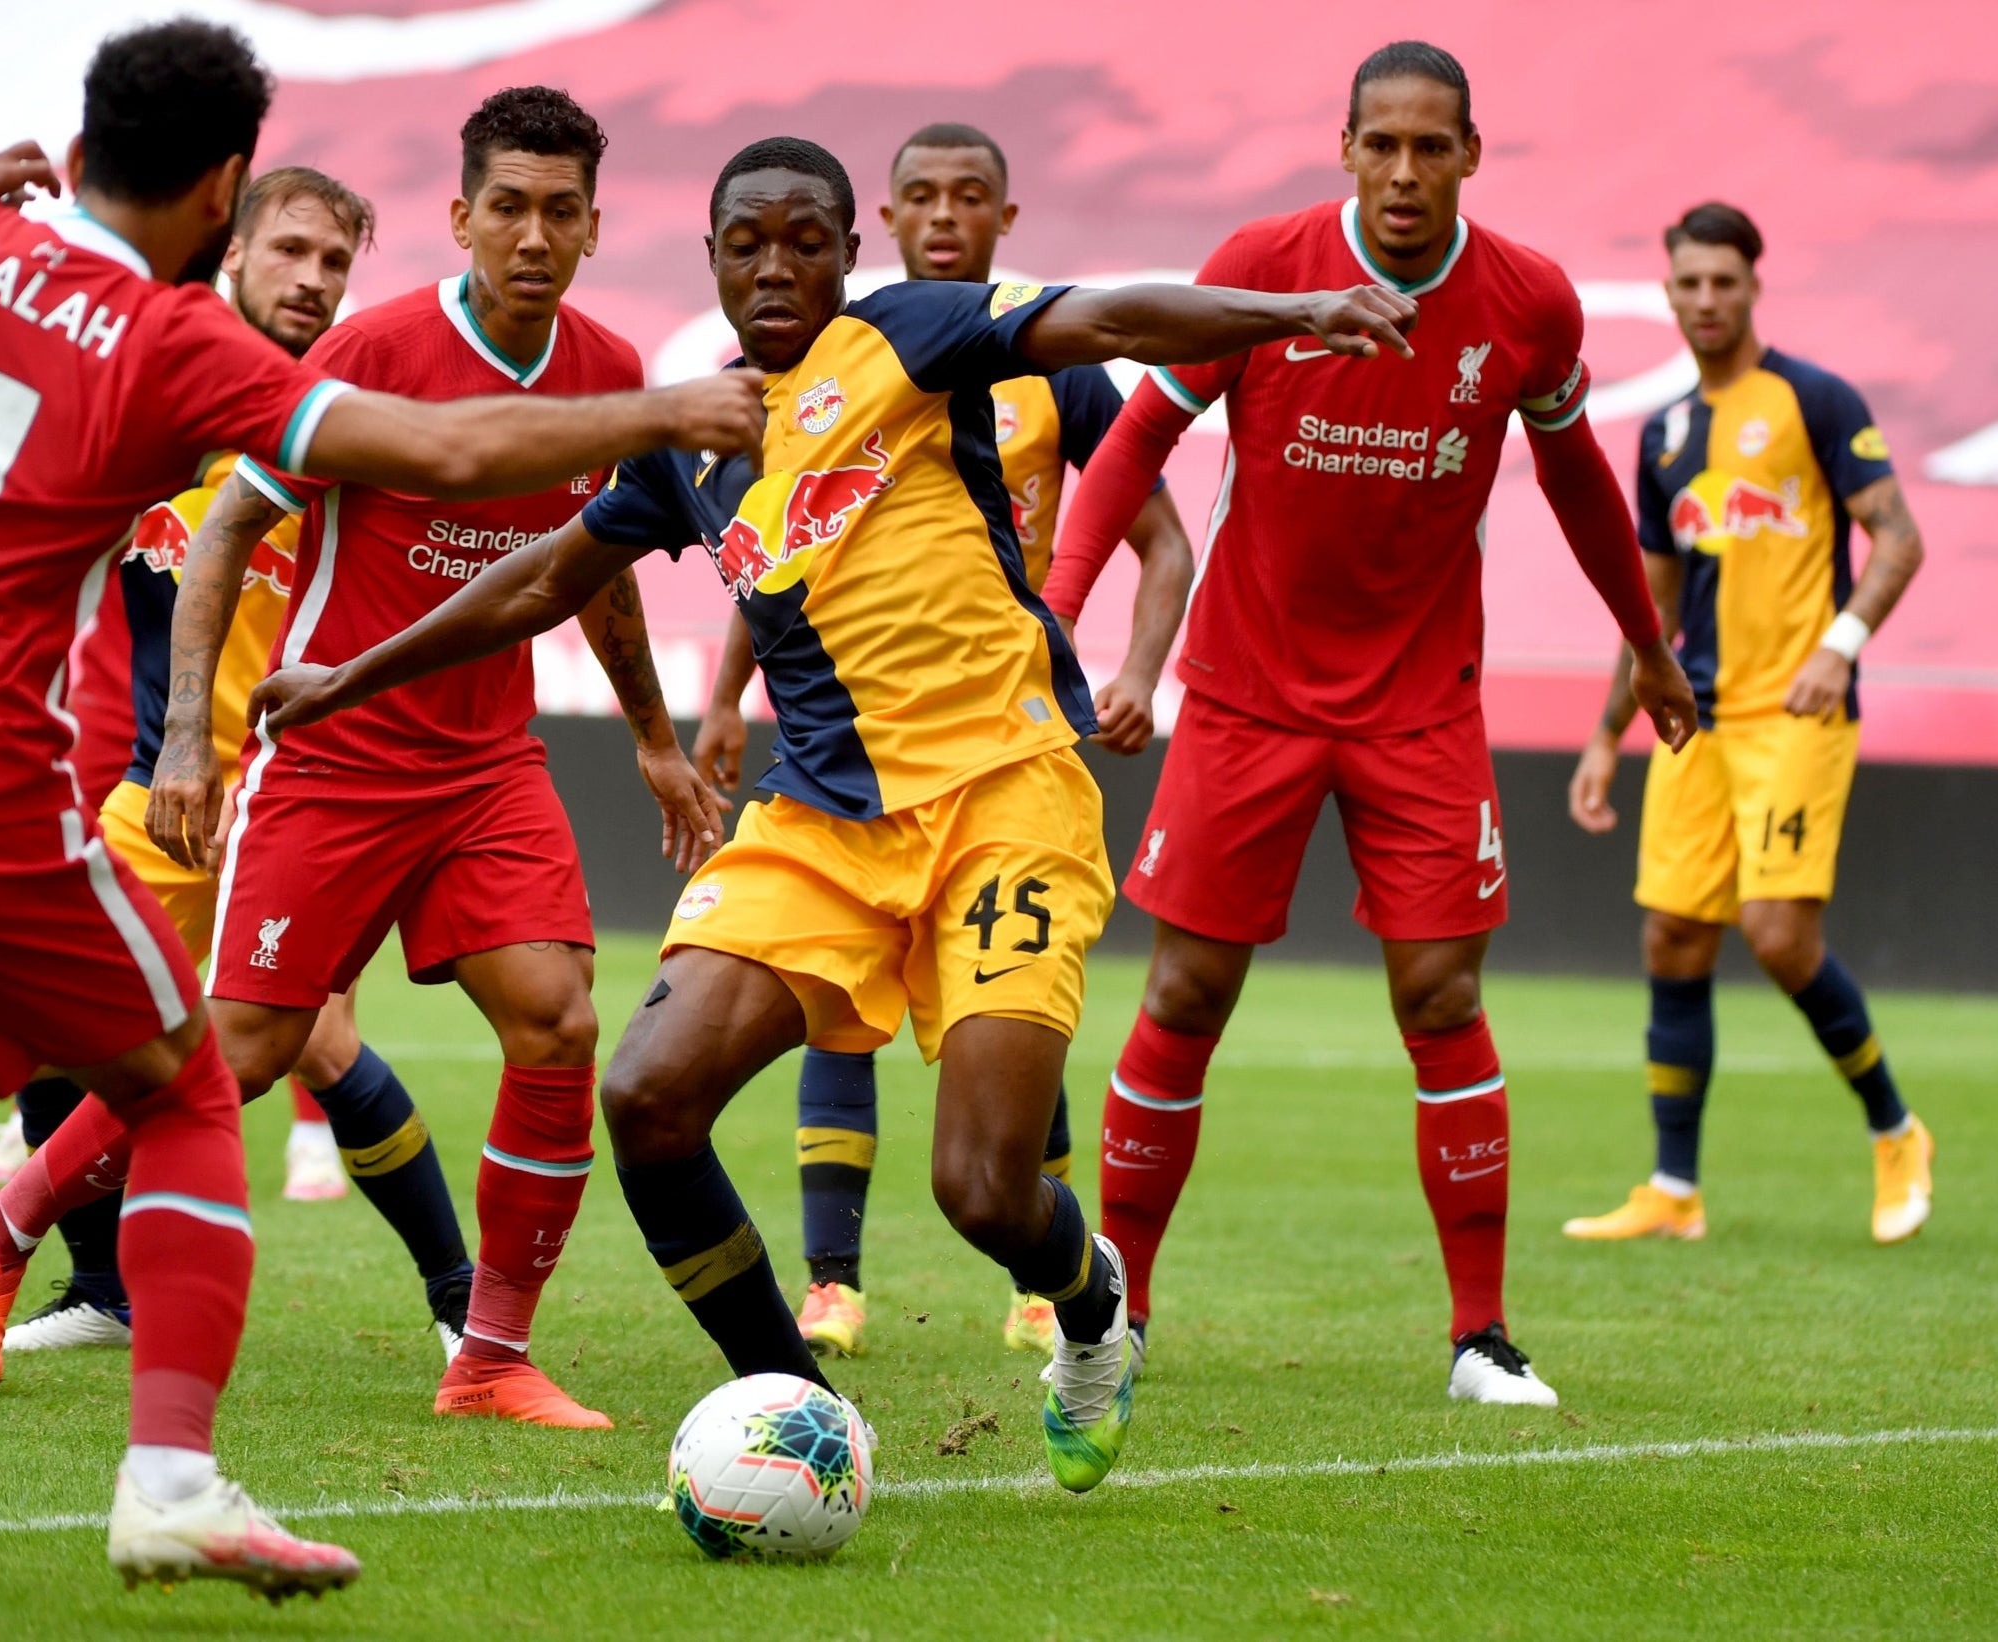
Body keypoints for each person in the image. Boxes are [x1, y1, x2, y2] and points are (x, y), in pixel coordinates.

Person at [0, 18, 762, 1609]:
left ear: (79, 135)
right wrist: (661, 419)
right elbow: (443, 447)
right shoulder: (171, 344)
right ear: (225, 187)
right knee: (194, 1085)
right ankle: (169, 1478)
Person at [242, 134, 1418, 1494]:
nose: (777, 265)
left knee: (980, 1190)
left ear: (850, 254)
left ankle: (1087, 1301)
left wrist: (1295, 312)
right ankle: (801, 1414)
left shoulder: (912, 334)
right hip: (820, 821)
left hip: (1003, 793)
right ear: (710, 259)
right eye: (748, 242)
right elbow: (540, 578)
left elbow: (1104, 312)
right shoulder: (690, 435)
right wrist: (347, 674)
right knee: (646, 1093)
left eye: (807, 239)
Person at [0, 86, 711, 1432]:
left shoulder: (607, 369)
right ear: (461, 216)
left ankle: (486, 1357)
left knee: (560, 1018)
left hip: (487, 763)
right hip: (336, 759)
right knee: (238, 1050)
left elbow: (599, 572)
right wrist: (189, 737)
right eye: (510, 207)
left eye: (562, 210)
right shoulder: (372, 350)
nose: (534, 234)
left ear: (595, 225)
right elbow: (228, 532)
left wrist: (652, 737)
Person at [1044, 41, 1698, 1408]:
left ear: (1469, 153)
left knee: (1440, 996)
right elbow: (1131, 443)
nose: (1403, 171)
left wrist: (1643, 645)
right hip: (1244, 695)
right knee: (1181, 993)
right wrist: (1055, 611)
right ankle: (1121, 1314)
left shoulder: (1525, 302)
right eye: (1380, 145)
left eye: (1429, 147)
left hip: (1418, 708)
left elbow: (1577, 477)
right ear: (1343, 149)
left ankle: (1478, 1338)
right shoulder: (1262, 265)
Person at [686, 121, 1194, 1361]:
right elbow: (786, 563)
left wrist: (1121, 661)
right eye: (924, 195)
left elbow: (1160, 534)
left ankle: (1054, 1278)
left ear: (1004, 219)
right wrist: (715, 700)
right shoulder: (779, 392)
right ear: (893, 226)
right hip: (849, 748)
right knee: (810, 1015)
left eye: (973, 195)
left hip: (1000, 733)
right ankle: (832, 1284)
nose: (947, 215)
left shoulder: (1033, 366)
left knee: (991, 1110)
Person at [0, 165, 477, 1360]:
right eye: (292, 252)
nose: (312, 281)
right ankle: (106, 1287)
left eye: (334, 264)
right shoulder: (156, 400)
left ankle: (467, 1308)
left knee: (315, 1042)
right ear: (235, 248)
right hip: (169, 779)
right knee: (46, 1007)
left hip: (301, 786)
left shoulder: (352, 411)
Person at [1562, 202, 1931, 1246]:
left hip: (1797, 714)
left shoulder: (1814, 399)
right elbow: (1655, 608)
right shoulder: (1666, 433)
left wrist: (1840, 643)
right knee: (1674, 935)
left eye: (1725, 280)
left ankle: (1896, 1128)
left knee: (1776, 934)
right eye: (1690, 283)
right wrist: (1605, 736)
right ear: (1668, 291)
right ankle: (1674, 1189)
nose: (1707, 299)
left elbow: (1898, 540)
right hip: (1698, 725)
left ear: (1754, 285)